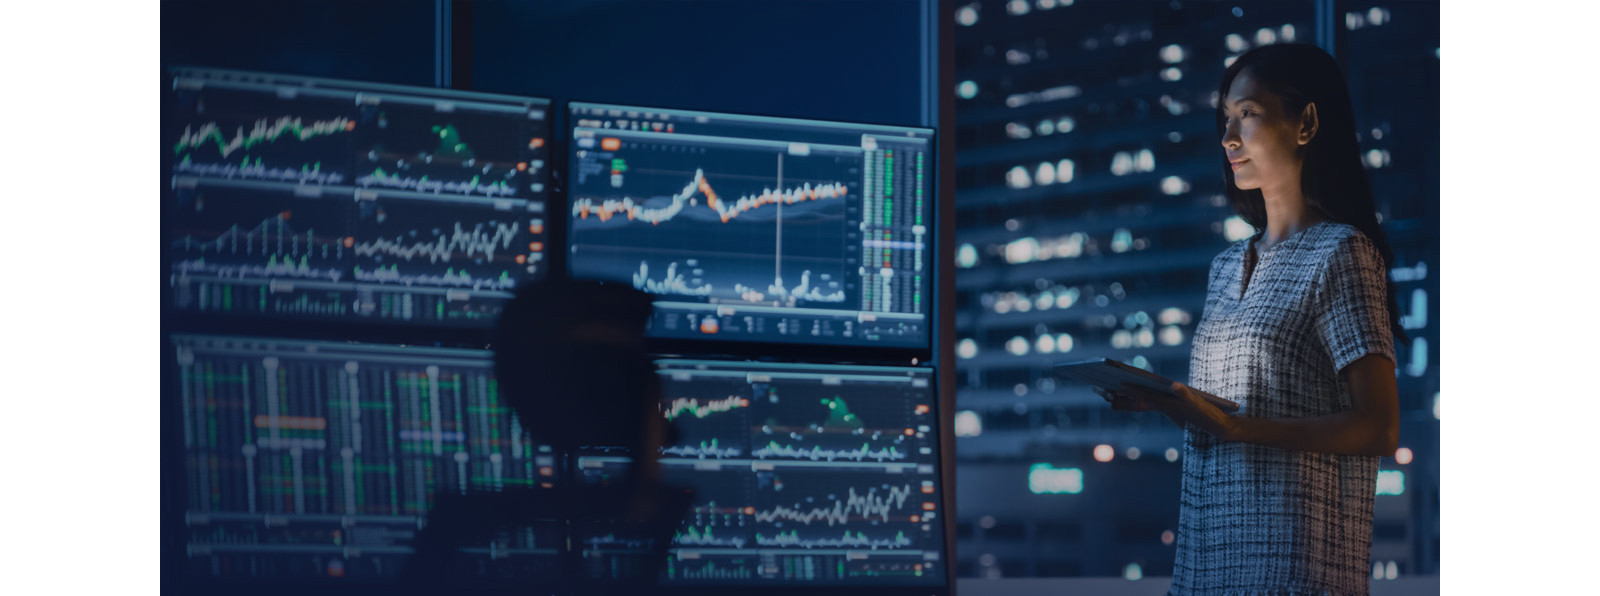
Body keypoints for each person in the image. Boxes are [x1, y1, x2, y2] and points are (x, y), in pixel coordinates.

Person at [1098, 43, 1405, 595]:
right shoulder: (1225, 267)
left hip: (1294, 570)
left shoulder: (1342, 252)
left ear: (1306, 123)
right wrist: (1174, 404)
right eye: (1225, 118)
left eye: (1248, 113)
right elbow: (1230, 422)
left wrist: (1237, 427)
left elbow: (1379, 426)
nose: (1228, 137)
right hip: (1205, 564)